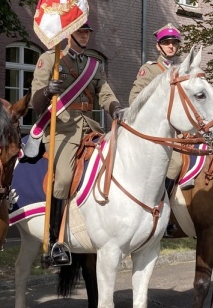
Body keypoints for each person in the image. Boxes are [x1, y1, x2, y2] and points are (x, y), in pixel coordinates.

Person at [27, 23, 122, 266]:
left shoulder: (94, 65)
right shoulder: (50, 59)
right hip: (61, 129)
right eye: (81, 31)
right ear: (69, 33)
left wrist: (116, 109)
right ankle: (53, 242)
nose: (85, 36)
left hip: (90, 127)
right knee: (65, 178)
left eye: (88, 32)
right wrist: (48, 91)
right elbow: (35, 103)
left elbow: (105, 94)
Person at [129, 23, 189, 235]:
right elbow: (134, 99)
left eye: (174, 43)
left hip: (178, 133)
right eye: (166, 43)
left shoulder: (182, 71)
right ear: (159, 46)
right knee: (173, 164)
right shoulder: (151, 70)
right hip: (156, 133)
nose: (171, 46)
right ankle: (158, 211)